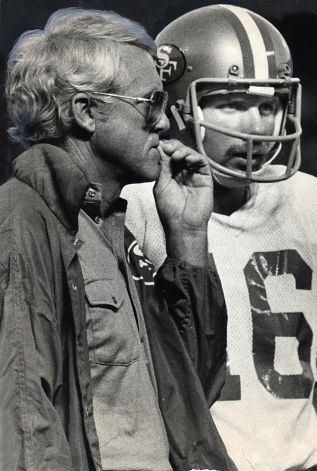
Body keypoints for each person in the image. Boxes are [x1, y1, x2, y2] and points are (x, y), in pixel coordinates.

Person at [122, 5, 317, 470]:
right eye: (232, 103)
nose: (256, 125)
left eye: (270, 104)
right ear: (177, 106)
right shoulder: (130, 210)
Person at [0, 8, 236, 471]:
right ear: (86, 111)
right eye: (152, 103)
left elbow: (195, 391)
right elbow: (23, 420)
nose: (167, 123)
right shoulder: (21, 223)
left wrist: (188, 234)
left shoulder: (109, 229)